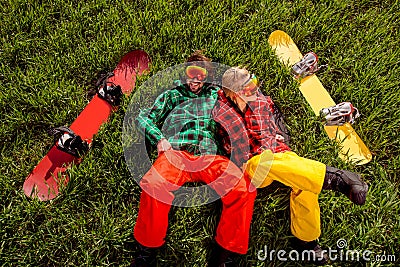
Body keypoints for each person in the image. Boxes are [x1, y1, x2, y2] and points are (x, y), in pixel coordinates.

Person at [212, 66, 369, 265]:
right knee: (264, 161)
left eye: (254, 81)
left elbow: (267, 135)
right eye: (248, 87)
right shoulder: (223, 111)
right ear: (234, 95)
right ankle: (336, 178)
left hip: (280, 155)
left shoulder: (258, 100)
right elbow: (242, 149)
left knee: (305, 183)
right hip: (251, 164)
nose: (254, 88)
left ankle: (306, 242)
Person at [131, 53, 256, 267]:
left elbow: (241, 101)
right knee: (154, 184)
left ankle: (225, 255)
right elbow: (143, 116)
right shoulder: (172, 95)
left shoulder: (216, 94)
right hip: (177, 152)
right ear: (185, 73)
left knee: (243, 188)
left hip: (211, 156)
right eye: (191, 73)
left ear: (208, 77)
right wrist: (159, 139)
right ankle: (146, 253)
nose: (196, 79)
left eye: (202, 74)